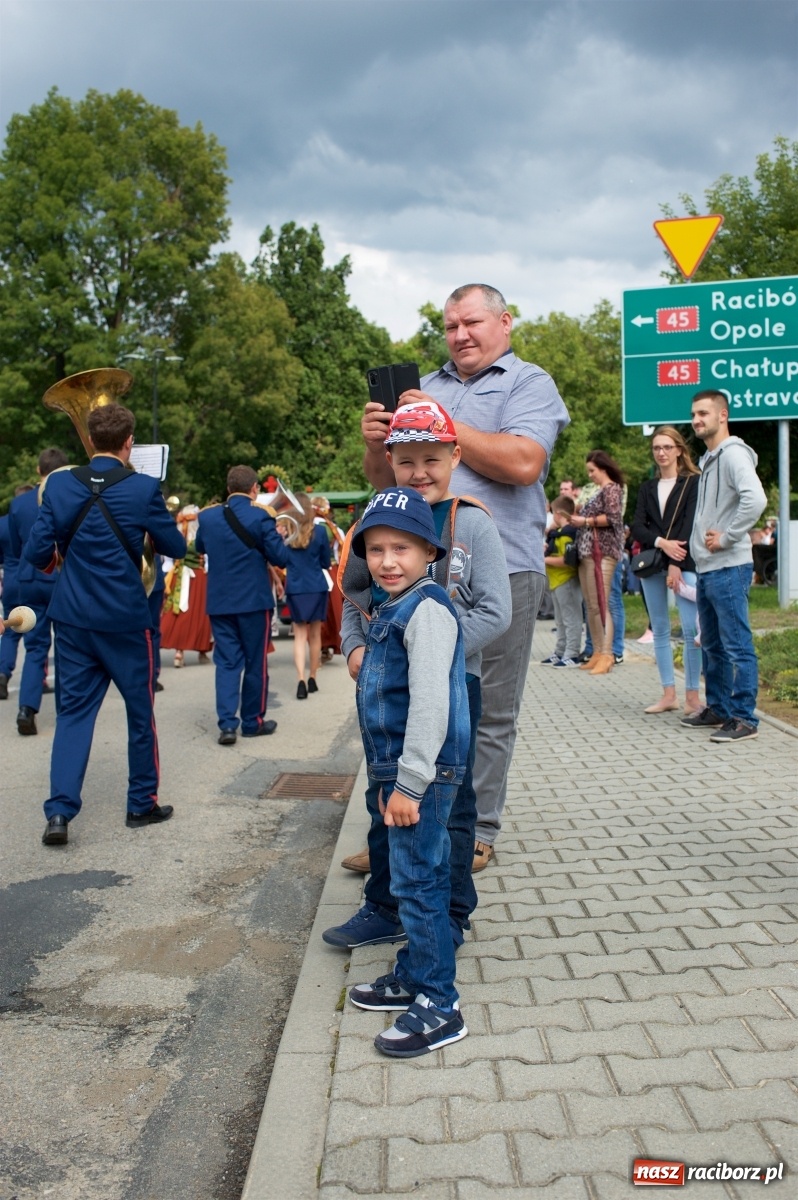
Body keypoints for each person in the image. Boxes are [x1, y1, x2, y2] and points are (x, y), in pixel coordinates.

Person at [361, 283, 569, 870]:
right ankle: (402, 828)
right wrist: (379, 442)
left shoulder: (529, 382)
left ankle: (475, 833)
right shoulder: (424, 386)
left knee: (488, 710)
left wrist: (440, 421)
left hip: (503, 567)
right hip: (419, 569)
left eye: (472, 323)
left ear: (504, 322)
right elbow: (387, 483)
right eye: (451, 327)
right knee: (407, 701)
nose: (460, 336)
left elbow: (525, 463)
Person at [327, 400, 511, 944]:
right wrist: (356, 648)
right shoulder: (375, 517)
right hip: (386, 696)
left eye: (432, 458)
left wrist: (433, 656)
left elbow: (495, 610)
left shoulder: (469, 521)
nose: (420, 472)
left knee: (454, 803)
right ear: (390, 458)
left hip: (457, 689)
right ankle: (384, 908)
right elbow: (353, 596)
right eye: (407, 461)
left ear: (455, 456)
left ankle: (451, 914)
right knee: (383, 794)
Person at [344, 487, 471, 1057]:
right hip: (399, 771)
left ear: (429, 553)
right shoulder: (397, 604)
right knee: (410, 876)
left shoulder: (427, 610)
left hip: (421, 773)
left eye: (401, 548)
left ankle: (440, 1004)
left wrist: (409, 784)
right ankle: (414, 973)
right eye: (375, 549)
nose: (387, 561)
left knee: (420, 884)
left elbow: (430, 707)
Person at [24, 404, 187, 845]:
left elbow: (37, 555)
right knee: (140, 713)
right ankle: (140, 804)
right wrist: (147, 532)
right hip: (125, 620)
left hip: (73, 619)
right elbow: (176, 544)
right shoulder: (142, 488)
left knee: (73, 714)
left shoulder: (58, 486)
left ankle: (59, 813)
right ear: (129, 442)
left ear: (90, 440)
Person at [683, 390, 767, 742]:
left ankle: (744, 718)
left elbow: (756, 499)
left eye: (703, 413)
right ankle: (718, 708)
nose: (697, 419)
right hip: (708, 567)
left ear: (722, 415)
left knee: (736, 645)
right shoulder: (709, 459)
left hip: (729, 566)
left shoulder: (733, 455)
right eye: (694, 414)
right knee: (714, 646)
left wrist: (730, 536)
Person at [195, 466, 288, 745]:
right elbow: (281, 558)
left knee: (226, 663)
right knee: (255, 662)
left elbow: (200, 547)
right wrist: (279, 538)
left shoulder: (208, 517)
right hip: (253, 602)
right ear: (254, 489)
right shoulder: (261, 517)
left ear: (228, 488)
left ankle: (226, 725)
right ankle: (251, 722)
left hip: (220, 602)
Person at [630, 426, 702, 715]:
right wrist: (662, 543)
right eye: (657, 448)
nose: (661, 452)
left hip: (684, 563)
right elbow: (637, 527)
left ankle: (693, 697)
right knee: (659, 629)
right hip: (652, 564)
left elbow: (689, 523)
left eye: (667, 447)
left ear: (679, 450)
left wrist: (675, 562)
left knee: (690, 629)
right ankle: (668, 694)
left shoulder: (692, 483)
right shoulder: (648, 487)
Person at [8, 449, 68, 733]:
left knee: (35, 647)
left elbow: (18, 547)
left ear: (37, 470)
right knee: (67, 645)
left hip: (28, 578)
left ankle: (27, 708)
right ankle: (65, 710)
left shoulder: (18, 504)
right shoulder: (68, 497)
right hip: (58, 578)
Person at [569, 450, 625, 675]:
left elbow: (613, 518)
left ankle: (607, 653)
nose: (590, 475)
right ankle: (598, 652)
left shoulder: (612, 489)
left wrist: (585, 520)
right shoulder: (599, 491)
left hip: (602, 551)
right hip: (587, 552)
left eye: (592, 470)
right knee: (592, 605)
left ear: (603, 468)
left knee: (602, 604)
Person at [284, 493, 332, 699]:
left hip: (295, 587)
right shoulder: (320, 532)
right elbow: (325, 562)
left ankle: (300, 679)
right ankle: (313, 677)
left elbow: (282, 559)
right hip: (316, 586)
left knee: (299, 637)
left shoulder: (288, 534)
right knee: (315, 636)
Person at [161, 505, 214, 668]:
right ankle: (201, 651)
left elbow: (167, 562)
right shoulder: (201, 537)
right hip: (197, 577)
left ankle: (180, 652)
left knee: (181, 613)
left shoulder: (176, 536)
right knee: (200, 615)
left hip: (179, 575)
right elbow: (208, 559)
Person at [0, 485, 35, 700]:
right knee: (37, 639)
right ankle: (35, 683)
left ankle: (3, 672)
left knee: (10, 633)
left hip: (12, 580)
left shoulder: (3, 522)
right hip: (33, 577)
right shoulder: (39, 517)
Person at [541, 496, 581, 667]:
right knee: (560, 620)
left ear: (558, 514)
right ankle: (560, 651)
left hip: (566, 581)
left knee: (570, 619)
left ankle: (572, 653)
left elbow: (567, 560)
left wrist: (543, 559)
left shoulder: (568, 534)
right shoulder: (558, 534)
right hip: (556, 581)